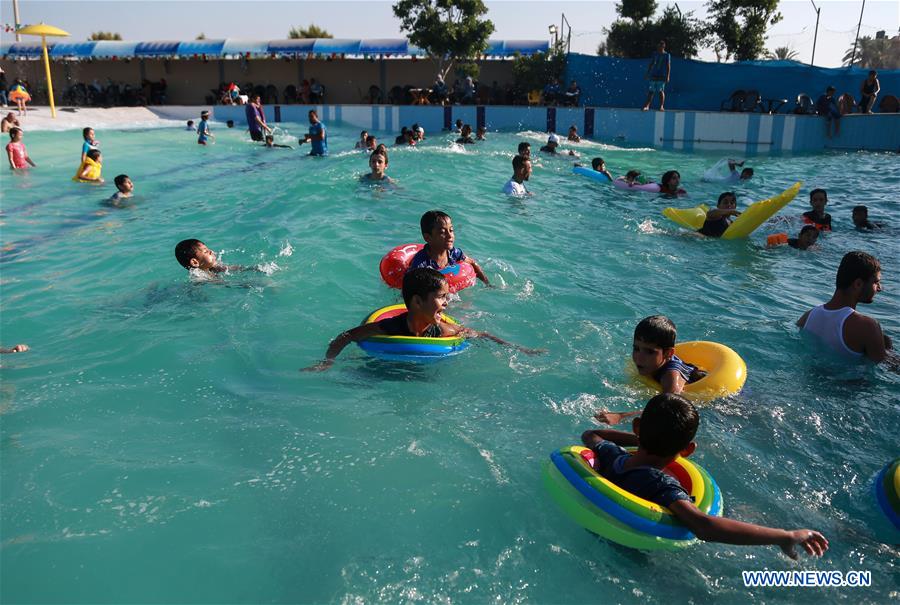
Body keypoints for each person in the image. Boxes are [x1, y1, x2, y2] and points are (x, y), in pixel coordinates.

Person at [582, 394, 829, 558]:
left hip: (592, 524)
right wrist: (785, 536)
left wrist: (643, 439)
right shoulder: (661, 485)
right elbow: (704, 526)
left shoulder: (611, 455)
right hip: (633, 550)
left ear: (636, 427)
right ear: (687, 450)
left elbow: (591, 434)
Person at [302, 268, 544, 371]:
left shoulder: (442, 331)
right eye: (441, 297)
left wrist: (520, 349)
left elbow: (480, 334)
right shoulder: (390, 327)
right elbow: (348, 336)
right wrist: (327, 361)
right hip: (385, 364)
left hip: (422, 367)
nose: (447, 303)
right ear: (417, 302)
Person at [594, 315, 707, 425]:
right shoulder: (651, 363)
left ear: (668, 353)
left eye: (650, 352)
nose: (639, 357)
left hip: (708, 404)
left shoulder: (670, 376)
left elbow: (668, 410)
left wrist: (621, 417)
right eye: (636, 348)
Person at [797, 251, 895, 365]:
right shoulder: (868, 326)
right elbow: (888, 367)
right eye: (876, 282)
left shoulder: (806, 317)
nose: (879, 288)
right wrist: (888, 350)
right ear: (858, 284)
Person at [408, 210, 490, 286]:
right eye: (442, 232)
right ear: (427, 237)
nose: (450, 235)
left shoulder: (453, 253)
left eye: (451, 230)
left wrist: (487, 283)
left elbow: (472, 263)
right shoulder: (421, 264)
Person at [174, 239, 256, 276]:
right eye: (206, 251)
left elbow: (235, 268)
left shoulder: (211, 267)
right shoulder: (199, 277)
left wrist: (254, 268)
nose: (211, 251)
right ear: (195, 262)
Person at [642, 40, 671, 111]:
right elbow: (651, 64)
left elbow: (668, 66)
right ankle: (647, 106)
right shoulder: (655, 54)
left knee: (660, 90)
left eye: (661, 46)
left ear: (663, 47)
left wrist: (668, 76)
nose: (659, 48)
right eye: (658, 46)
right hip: (654, 75)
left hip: (662, 76)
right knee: (651, 91)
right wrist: (647, 73)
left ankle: (661, 106)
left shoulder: (666, 55)